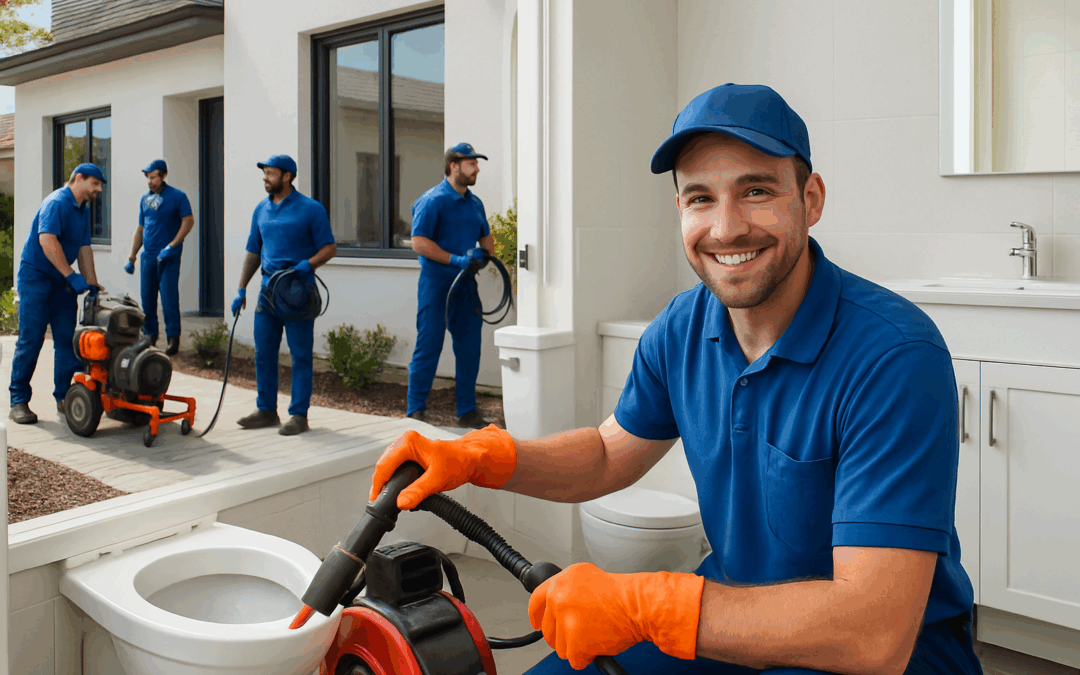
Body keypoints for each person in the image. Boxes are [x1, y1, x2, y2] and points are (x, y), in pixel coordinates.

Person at [369, 84, 983, 675]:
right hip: (733, 612)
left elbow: (873, 632)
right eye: (699, 198)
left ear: (812, 198)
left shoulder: (893, 355)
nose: (726, 228)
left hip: (893, 652)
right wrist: (483, 457)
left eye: (757, 191)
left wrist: (646, 605)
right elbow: (611, 453)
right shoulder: (684, 326)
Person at [232, 155, 336, 436]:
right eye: (264, 173)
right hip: (268, 291)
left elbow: (329, 247)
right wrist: (241, 288)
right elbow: (254, 251)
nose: (265, 178)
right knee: (263, 352)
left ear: (287, 176)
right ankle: (266, 410)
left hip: (298, 289)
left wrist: (309, 264)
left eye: (270, 173)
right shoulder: (260, 210)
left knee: (300, 354)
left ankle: (299, 415)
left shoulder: (310, 209)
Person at [406, 142, 496, 429]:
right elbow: (419, 242)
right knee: (428, 345)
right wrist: (454, 259)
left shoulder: (475, 203)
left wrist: (484, 255)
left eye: (476, 164)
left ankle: (467, 411)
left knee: (470, 348)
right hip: (437, 286)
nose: (477, 169)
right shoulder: (432, 200)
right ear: (453, 166)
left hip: (466, 287)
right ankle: (415, 410)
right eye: (471, 164)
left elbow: (487, 239)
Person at [9, 164, 107, 424]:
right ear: (78, 178)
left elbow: (84, 248)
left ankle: (65, 396)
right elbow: (47, 241)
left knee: (67, 341)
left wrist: (91, 281)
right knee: (31, 339)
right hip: (36, 279)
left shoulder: (83, 210)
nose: (98, 190)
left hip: (62, 282)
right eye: (95, 184)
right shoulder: (56, 202)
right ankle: (18, 400)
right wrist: (70, 275)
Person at [124, 159, 194, 356]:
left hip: (168, 256)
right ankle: (149, 336)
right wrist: (132, 256)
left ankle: (173, 338)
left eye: (153, 176)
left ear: (163, 176)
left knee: (169, 297)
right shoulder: (144, 200)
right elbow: (141, 227)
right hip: (148, 256)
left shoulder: (177, 197)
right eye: (147, 177)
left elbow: (188, 221)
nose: (149, 181)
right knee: (147, 298)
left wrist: (173, 245)